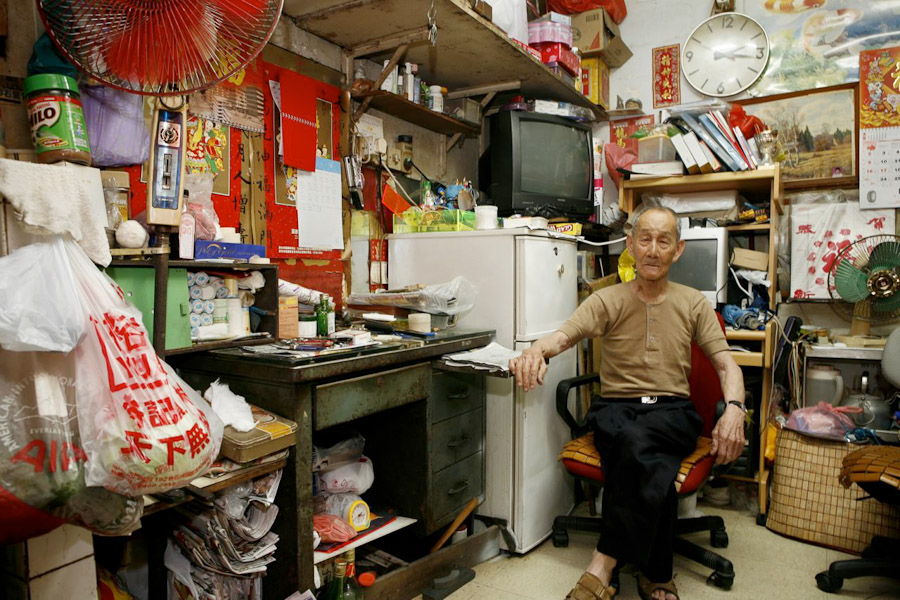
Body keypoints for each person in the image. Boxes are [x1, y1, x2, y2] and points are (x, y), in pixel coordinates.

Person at [509, 205, 746, 600]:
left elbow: (727, 365)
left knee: (638, 445)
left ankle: (603, 565)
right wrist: (535, 350)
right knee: (649, 457)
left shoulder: (693, 303)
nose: (653, 250)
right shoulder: (607, 300)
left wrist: (735, 409)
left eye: (664, 241)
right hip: (616, 409)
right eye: (645, 239)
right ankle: (656, 573)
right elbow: (563, 337)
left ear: (678, 250)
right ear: (632, 245)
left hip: (672, 413)